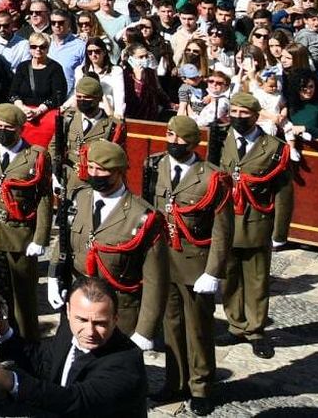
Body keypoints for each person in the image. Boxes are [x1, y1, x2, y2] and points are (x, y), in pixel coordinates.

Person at [139, 115, 229, 414]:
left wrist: (213, 271)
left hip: (195, 264)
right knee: (171, 325)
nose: (173, 143)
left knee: (198, 328)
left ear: (193, 143)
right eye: (169, 136)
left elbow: (221, 228)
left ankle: (201, 385)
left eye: (179, 139)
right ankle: (174, 382)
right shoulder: (156, 165)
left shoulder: (212, 177)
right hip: (164, 261)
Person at [0, 277, 149, 418]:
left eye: (100, 323)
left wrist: (11, 381)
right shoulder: (68, 329)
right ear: (67, 312)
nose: (90, 331)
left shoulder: (126, 363)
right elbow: (45, 363)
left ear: (115, 319)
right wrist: (5, 331)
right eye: (82, 320)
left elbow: (76, 399)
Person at [50, 139, 162, 340]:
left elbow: (156, 279)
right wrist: (52, 275)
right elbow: (64, 242)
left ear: (119, 172)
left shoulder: (142, 215)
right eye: (91, 167)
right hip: (78, 304)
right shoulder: (79, 198)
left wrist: (145, 330)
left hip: (117, 312)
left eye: (101, 170)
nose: (94, 174)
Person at [215, 91, 293, 360]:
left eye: (243, 113)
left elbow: (283, 193)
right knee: (229, 276)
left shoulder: (273, 147)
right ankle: (235, 324)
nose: (237, 117)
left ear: (255, 115)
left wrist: (280, 233)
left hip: (256, 222)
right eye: (234, 112)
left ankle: (256, 329)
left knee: (257, 278)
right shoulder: (221, 138)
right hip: (225, 223)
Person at [0, 103, 51, 341]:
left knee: (24, 300)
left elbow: (43, 198)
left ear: (20, 129)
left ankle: (28, 344)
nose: (2, 131)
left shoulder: (36, 156)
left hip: (20, 235)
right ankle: (2, 337)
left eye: (8, 128)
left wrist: (40, 238)